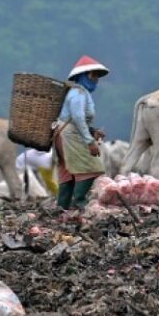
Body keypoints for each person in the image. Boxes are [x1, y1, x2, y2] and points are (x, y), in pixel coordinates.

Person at [54, 55, 109, 210]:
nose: (96, 79)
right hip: (69, 135)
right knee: (92, 167)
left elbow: (76, 119)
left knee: (68, 173)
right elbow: (77, 118)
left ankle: (62, 209)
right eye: (93, 75)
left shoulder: (80, 93)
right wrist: (90, 141)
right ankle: (79, 203)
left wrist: (93, 131)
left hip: (64, 134)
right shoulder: (78, 93)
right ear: (83, 76)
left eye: (97, 76)